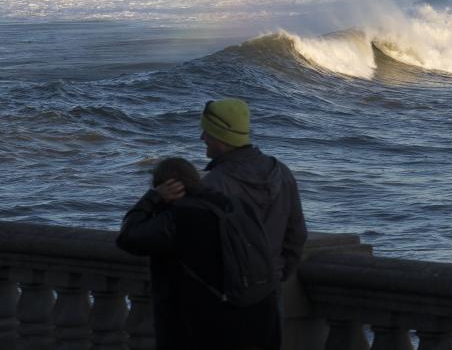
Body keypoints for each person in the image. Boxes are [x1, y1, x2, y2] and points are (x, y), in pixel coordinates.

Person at [116, 157, 281, 350]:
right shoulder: (236, 206)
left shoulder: (178, 216)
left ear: (170, 188)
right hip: (259, 316)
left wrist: (152, 197)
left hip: (203, 326)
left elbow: (128, 237)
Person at [200, 98, 308, 288]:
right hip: (269, 286)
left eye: (207, 132)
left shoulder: (214, 183)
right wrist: (277, 274)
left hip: (227, 293)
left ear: (221, 138)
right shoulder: (281, 172)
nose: (203, 138)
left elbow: (202, 247)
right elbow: (297, 235)